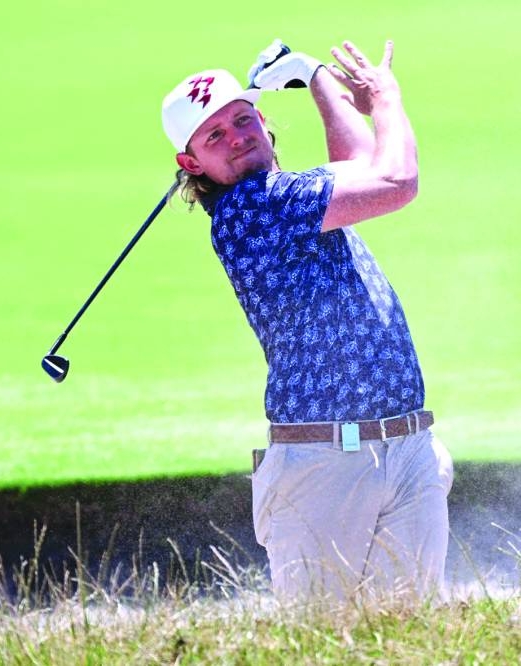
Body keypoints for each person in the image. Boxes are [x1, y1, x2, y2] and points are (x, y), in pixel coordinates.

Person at [160, 39, 453, 602]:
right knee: (319, 648)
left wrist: (312, 74)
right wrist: (385, 97)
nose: (237, 136)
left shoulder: (293, 196)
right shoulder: (253, 208)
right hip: (322, 466)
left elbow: (361, 168)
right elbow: (395, 181)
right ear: (192, 164)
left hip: (405, 445)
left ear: (264, 122)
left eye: (243, 118)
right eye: (214, 135)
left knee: (416, 642)